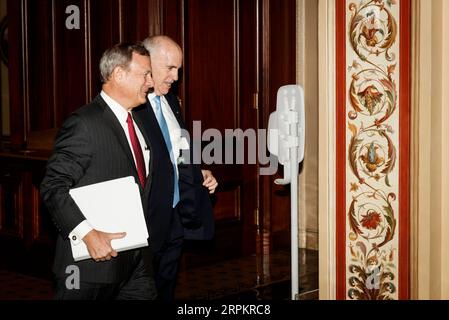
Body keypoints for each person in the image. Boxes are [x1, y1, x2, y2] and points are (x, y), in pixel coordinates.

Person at [40, 43, 157, 300]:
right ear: (118, 74)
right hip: (90, 268)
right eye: (145, 74)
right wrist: (88, 234)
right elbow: (53, 186)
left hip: (137, 262)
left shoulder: (136, 120)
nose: (151, 82)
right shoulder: (84, 123)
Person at [133, 35, 218, 301]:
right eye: (169, 68)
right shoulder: (132, 106)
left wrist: (196, 171)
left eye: (178, 70)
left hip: (174, 217)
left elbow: (177, 151)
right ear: (148, 63)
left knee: (166, 288)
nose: (175, 76)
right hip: (145, 220)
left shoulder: (171, 102)